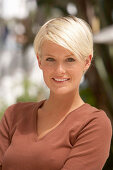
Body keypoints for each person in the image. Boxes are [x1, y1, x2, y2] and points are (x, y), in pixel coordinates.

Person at [0, 16, 112, 170]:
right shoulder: (13, 115)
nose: (59, 70)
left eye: (70, 59)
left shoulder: (94, 124)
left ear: (86, 62)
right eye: (51, 59)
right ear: (40, 61)